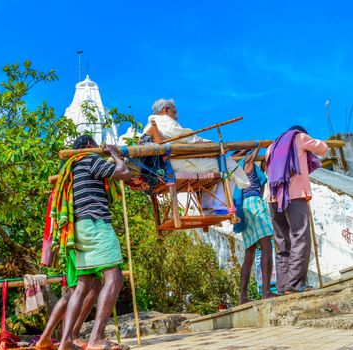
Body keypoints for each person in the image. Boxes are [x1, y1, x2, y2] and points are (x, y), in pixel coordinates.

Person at [58, 135, 131, 350]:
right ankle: (96, 338)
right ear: (90, 146)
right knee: (114, 277)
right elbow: (123, 173)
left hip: (78, 228)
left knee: (83, 284)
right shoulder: (90, 159)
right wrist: (115, 155)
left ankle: (66, 342)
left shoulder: (72, 167)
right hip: (95, 223)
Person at [143, 98, 250, 211]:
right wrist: (209, 144)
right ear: (166, 110)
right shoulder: (163, 121)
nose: (176, 116)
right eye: (174, 112)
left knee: (213, 169)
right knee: (229, 164)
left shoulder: (149, 126)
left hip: (170, 164)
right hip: (179, 164)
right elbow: (186, 137)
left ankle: (207, 207)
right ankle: (227, 202)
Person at [265, 125, 328, 294]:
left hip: (274, 199)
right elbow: (322, 149)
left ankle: (283, 286)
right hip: (295, 196)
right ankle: (295, 284)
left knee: (282, 242)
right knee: (300, 237)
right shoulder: (300, 138)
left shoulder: (271, 147)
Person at [233, 148, 276, 304]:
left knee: (249, 253)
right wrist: (256, 145)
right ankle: (266, 292)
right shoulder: (245, 162)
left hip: (243, 209)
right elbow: (250, 159)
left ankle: (242, 297)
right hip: (254, 205)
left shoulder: (234, 169)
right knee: (266, 245)